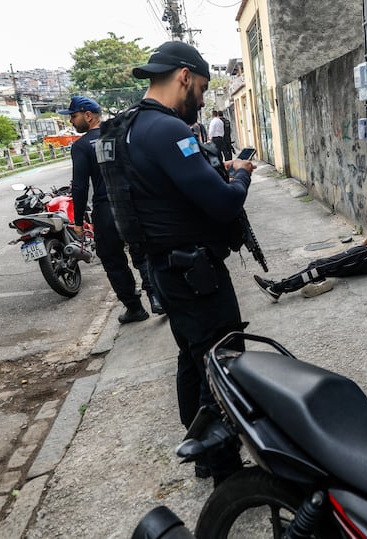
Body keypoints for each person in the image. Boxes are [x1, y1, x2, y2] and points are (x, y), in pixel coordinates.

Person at [97, 41, 257, 485]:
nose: (204, 98)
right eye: (203, 87)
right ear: (184, 76)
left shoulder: (127, 127)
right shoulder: (168, 131)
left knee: (192, 359)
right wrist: (241, 175)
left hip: (161, 269)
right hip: (194, 272)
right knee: (222, 361)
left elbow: (164, 192)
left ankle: (204, 455)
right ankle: (227, 473)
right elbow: (223, 204)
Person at [60, 96, 163, 323]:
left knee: (113, 259)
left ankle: (135, 308)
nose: (72, 122)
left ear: (88, 115)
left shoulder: (80, 146)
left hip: (106, 208)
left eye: (74, 116)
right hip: (132, 202)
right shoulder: (119, 134)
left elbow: (79, 186)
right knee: (141, 251)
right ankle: (157, 297)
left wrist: (78, 221)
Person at [254, 214, 367, 302]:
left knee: (319, 266)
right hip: (364, 254)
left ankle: (276, 289)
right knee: (316, 266)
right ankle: (308, 282)